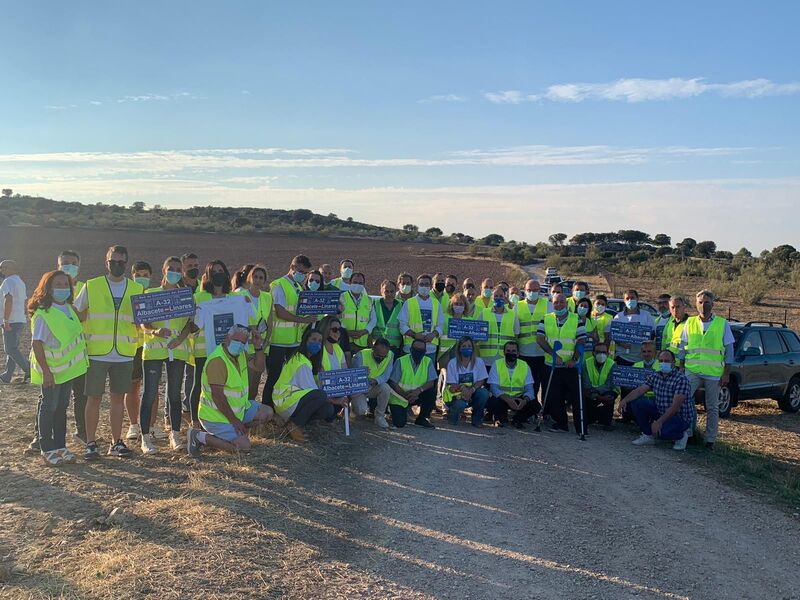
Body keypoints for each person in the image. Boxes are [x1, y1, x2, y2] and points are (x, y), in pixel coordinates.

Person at [74, 245, 145, 459]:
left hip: (124, 352)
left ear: (126, 263)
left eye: (121, 262)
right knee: (93, 398)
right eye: (113, 261)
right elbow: (77, 313)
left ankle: (116, 442)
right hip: (96, 352)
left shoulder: (136, 289)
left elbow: (142, 321)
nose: (117, 265)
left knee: (118, 399)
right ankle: (91, 443)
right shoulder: (91, 285)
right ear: (106, 262)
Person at [26, 250, 88, 454]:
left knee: (61, 409)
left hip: (67, 371)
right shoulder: (44, 313)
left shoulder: (69, 308)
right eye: (58, 285)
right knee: (49, 407)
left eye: (65, 285)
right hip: (51, 371)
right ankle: (46, 446)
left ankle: (61, 446)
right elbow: (37, 344)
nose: (63, 288)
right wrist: (46, 371)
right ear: (48, 288)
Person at [187, 325, 272, 456]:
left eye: (243, 342)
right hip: (215, 416)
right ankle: (198, 436)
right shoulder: (217, 361)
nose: (239, 345)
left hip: (238, 411)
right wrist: (235, 421)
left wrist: (258, 346)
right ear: (227, 338)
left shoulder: (241, 354)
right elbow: (217, 396)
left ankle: (234, 433)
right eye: (236, 341)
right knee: (244, 448)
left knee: (267, 412)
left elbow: (259, 368)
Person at [139, 257, 192, 453]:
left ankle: (175, 435)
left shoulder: (185, 296)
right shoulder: (150, 294)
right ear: (163, 270)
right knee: (150, 393)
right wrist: (155, 332)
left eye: (179, 269)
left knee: (174, 395)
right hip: (154, 351)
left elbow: (189, 324)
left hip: (177, 350)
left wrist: (181, 339)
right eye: (171, 268)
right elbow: (144, 323)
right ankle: (145, 438)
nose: (175, 272)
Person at [678, 290, 734, 450]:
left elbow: (729, 351)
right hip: (692, 370)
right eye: (701, 302)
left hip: (713, 373)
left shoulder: (722, 324)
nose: (704, 305)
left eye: (707, 302)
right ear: (696, 304)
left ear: (713, 304)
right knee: (684, 401)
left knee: (712, 407)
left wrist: (726, 373)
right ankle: (686, 433)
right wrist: (681, 367)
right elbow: (683, 347)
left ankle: (710, 440)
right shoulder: (689, 323)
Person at [272, 326, 346, 443]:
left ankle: (293, 421)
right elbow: (313, 391)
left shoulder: (305, 359)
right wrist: (336, 401)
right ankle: (295, 425)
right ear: (305, 341)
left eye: (319, 341)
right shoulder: (301, 361)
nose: (316, 343)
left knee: (327, 410)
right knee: (320, 396)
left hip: (292, 400)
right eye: (313, 339)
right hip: (285, 400)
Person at [263, 255, 317, 404]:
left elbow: (299, 312)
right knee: (274, 376)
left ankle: (282, 406)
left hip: (294, 341)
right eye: (301, 271)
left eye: (306, 273)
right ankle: (267, 407)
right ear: (292, 267)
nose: (303, 275)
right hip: (278, 341)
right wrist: (303, 319)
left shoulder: (299, 287)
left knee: (289, 377)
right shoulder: (278, 285)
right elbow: (280, 312)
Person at [188, 260, 234, 427]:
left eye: (221, 271)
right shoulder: (199, 298)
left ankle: (219, 421)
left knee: (222, 386)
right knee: (199, 386)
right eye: (214, 272)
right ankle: (195, 422)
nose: (218, 274)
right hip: (203, 350)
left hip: (226, 352)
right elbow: (192, 327)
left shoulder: (234, 298)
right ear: (208, 276)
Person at [620, 349, 696, 451]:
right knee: (638, 403)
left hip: (679, 417)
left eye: (667, 361)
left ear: (673, 362)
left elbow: (675, 407)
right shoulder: (656, 375)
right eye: (661, 361)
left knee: (663, 433)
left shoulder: (681, 380)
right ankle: (648, 435)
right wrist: (624, 400)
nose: (663, 363)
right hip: (661, 411)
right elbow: (639, 390)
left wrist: (659, 422)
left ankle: (681, 435)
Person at [537, 293, 587, 434]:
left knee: (576, 397)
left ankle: (581, 427)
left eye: (561, 302)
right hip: (552, 365)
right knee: (554, 396)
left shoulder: (576, 319)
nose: (558, 305)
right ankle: (561, 424)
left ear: (567, 303)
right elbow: (540, 339)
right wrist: (553, 354)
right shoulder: (545, 319)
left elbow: (581, 340)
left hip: (571, 366)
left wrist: (574, 359)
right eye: (556, 303)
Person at [124, 260, 153, 442]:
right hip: (132, 347)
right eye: (138, 275)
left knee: (151, 388)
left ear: (151, 277)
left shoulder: (153, 296)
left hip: (151, 347)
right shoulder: (127, 295)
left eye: (145, 275)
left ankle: (151, 425)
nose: (141, 278)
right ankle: (133, 425)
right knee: (133, 387)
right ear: (132, 276)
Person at [235, 265, 273, 400]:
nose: (257, 280)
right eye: (255, 277)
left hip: (260, 348)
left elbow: (270, 322)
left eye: (261, 278)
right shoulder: (239, 295)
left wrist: (266, 342)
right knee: (244, 382)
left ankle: (250, 412)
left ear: (264, 281)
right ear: (250, 278)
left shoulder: (268, 297)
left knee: (255, 384)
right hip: (243, 348)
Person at [486, 341, 538, 429]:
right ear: (504, 353)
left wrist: (524, 401)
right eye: (508, 351)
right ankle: (501, 419)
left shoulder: (524, 366)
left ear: (518, 353)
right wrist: (508, 400)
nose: (510, 353)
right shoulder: (497, 364)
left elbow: (530, 390)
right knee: (492, 401)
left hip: (518, 398)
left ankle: (517, 420)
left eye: (513, 351)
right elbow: (494, 388)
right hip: (502, 398)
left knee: (535, 406)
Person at [388, 338, 437, 428]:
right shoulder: (401, 361)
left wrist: (418, 391)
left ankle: (422, 418)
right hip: (400, 397)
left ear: (425, 351)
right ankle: (393, 410)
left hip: (417, 395)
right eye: (416, 350)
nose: (418, 352)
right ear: (410, 350)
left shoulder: (428, 361)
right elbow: (392, 382)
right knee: (399, 424)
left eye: (421, 350)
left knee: (432, 392)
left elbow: (431, 382)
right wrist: (405, 395)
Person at [398, 274, 444, 364]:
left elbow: (441, 325)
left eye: (427, 284)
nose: (424, 287)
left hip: (430, 348)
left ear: (431, 286)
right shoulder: (409, 303)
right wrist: (415, 335)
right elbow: (402, 325)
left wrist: (433, 334)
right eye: (421, 284)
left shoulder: (436, 303)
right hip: (411, 347)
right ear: (417, 286)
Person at [443, 337, 489, 427]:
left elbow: (481, 380)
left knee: (484, 393)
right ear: (459, 348)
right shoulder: (452, 363)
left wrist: (472, 390)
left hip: (472, 392)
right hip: (457, 394)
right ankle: (452, 417)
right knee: (460, 404)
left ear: (473, 348)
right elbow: (452, 384)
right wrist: (463, 389)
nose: (467, 348)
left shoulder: (479, 362)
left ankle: (477, 420)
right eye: (463, 346)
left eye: (469, 346)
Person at [351, 338, 394, 429]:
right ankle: (352, 410)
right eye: (378, 355)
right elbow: (353, 375)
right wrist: (365, 379)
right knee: (361, 411)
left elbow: (386, 374)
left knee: (386, 388)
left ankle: (379, 417)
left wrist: (375, 380)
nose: (381, 358)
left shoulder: (390, 355)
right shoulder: (360, 355)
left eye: (384, 356)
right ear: (373, 348)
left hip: (374, 385)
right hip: (359, 388)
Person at [517, 279, 549, 401]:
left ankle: (545, 412)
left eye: (535, 290)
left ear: (539, 291)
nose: (532, 292)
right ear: (525, 291)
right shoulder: (518, 306)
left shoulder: (548, 305)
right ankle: (530, 410)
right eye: (529, 290)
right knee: (529, 385)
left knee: (545, 384)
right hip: (524, 353)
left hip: (543, 352)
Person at [0, 259, 30, 383]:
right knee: (13, 347)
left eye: (3, 267)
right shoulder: (20, 282)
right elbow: (24, 301)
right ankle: (7, 375)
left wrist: (6, 320)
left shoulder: (8, 281)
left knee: (10, 349)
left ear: (11, 268)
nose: (1, 270)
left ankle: (28, 369)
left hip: (11, 320)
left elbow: (9, 300)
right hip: (19, 319)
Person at [178, 252, 200, 419]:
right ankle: (172, 415)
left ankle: (192, 409)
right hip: (180, 339)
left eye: (196, 266)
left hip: (198, 341)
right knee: (177, 379)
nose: (193, 269)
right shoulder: (175, 288)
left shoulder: (202, 287)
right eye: (189, 266)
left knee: (193, 376)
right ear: (182, 268)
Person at [612, 289, 656, 366]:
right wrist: (622, 344)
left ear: (637, 299)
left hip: (642, 358)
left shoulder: (646, 315)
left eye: (632, 298)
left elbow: (652, 333)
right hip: (623, 356)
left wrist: (645, 343)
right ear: (624, 300)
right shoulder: (618, 317)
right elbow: (614, 335)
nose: (630, 300)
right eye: (627, 298)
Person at [317, 315, 352, 411]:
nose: (338, 333)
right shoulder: (318, 349)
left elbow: (345, 372)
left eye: (340, 330)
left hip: (336, 390)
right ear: (325, 329)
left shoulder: (338, 348)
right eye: (335, 329)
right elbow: (321, 380)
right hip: (322, 392)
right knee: (328, 411)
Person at [479, 287, 519, 370]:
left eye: (501, 296)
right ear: (492, 298)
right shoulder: (484, 313)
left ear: (505, 297)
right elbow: (477, 334)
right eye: (496, 296)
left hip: (505, 358)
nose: (498, 298)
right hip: (486, 359)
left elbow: (516, 335)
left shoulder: (512, 314)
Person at [581, 342, 617, 430]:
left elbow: (610, 384)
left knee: (609, 396)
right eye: (598, 352)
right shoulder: (586, 363)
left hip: (606, 391)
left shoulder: (612, 364)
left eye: (604, 352)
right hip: (590, 393)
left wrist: (599, 394)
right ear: (593, 353)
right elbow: (586, 385)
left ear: (608, 353)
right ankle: (593, 417)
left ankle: (606, 422)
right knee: (586, 401)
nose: (601, 355)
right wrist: (598, 396)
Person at [339, 271, 375, 353]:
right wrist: (346, 332)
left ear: (363, 285)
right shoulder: (341, 297)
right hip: (344, 339)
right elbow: (337, 318)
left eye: (360, 283)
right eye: (355, 282)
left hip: (362, 342)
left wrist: (363, 332)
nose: (357, 285)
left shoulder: (369, 300)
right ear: (350, 283)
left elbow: (373, 320)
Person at [438, 292, 470, 370]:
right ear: (451, 305)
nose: (458, 306)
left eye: (461, 304)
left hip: (463, 354)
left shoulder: (470, 321)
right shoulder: (444, 318)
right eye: (456, 304)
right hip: (445, 354)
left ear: (465, 306)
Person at [372, 279, 403, 355]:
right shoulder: (374, 304)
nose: (389, 294)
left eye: (392, 291)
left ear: (395, 292)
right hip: (377, 347)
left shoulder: (402, 305)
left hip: (395, 348)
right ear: (381, 292)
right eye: (386, 291)